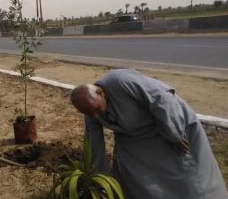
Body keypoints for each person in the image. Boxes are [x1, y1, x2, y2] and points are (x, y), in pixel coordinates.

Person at [70, 69, 228, 199]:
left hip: (167, 123)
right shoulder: (91, 111)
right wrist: (101, 176)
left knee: (189, 174)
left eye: (97, 109)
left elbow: (161, 98)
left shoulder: (121, 81)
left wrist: (174, 134)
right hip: (134, 139)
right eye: (91, 114)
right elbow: (94, 142)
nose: (96, 116)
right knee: (129, 174)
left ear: (100, 92)